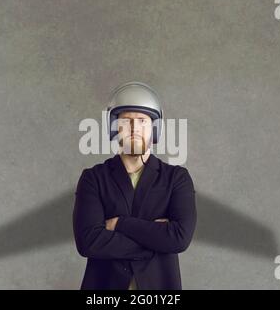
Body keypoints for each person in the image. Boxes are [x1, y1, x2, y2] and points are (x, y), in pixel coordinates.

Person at [73, 81, 196, 290]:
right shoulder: (93, 178)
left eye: (142, 121)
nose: (134, 128)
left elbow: (179, 239)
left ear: (154, 127)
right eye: (126, 121)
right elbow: (88, 242)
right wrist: (156, 241)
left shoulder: (177, 178)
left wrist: (120, 224)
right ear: (114, 127)